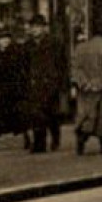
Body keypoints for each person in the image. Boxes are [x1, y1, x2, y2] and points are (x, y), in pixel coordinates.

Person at [71, 23, 102, 155]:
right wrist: (100, 82)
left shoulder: (80, 48)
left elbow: (75, 68)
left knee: (85, 115)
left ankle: (81, 142)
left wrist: (85, 83)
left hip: (85, 91)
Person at [22, 15, 65, 153]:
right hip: (34, 82)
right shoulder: (28, 45)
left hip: (50, 82)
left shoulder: (54, 43)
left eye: (37, 27)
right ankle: (39, 143)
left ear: (44, 28)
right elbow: (24, 65)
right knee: (36, 114)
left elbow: (61, 63)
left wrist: (61, 82)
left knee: (51, 114)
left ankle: (55, 137)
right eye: (33, 27)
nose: (34, 30)